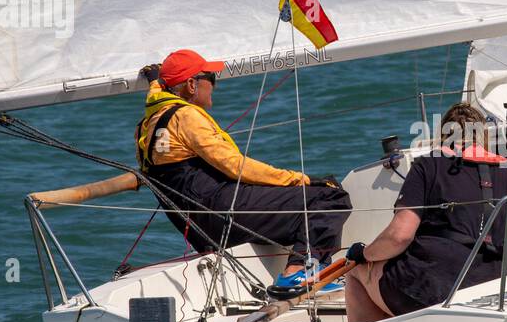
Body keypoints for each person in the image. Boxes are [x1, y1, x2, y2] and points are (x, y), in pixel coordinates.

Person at [134, 49, 351, 289]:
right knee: (330, 197)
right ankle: (297, 274)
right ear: (191, 85)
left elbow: (156, 95)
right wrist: (298, 179)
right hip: (222, 216)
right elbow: (236, 166)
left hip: (201, 229)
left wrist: (156, 81)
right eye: (211, 79)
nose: (214, 85)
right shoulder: (186, 117)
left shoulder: (149, 123)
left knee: (309, 202)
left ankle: (306, 268)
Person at [344, 103, 507, 322]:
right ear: (483, 138)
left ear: (443, 137)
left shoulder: (427, 167)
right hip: (494, 290)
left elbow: (399, 236)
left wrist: (364, 255)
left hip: (431, 289)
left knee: (355, 273)